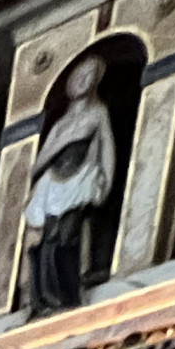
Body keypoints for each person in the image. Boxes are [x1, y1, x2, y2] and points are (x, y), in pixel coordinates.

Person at [26, 52, 116, 315]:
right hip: (54, 181)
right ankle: (43, 299)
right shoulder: (61, 123)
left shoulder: (98, 113)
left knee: (67, 234)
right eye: (79, 75)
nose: (83, 80)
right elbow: (41, 159)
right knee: (48, 239)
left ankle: (64, 296)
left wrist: (106, 182)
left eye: (90, 76)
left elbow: (107, 150)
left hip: (80, 178)